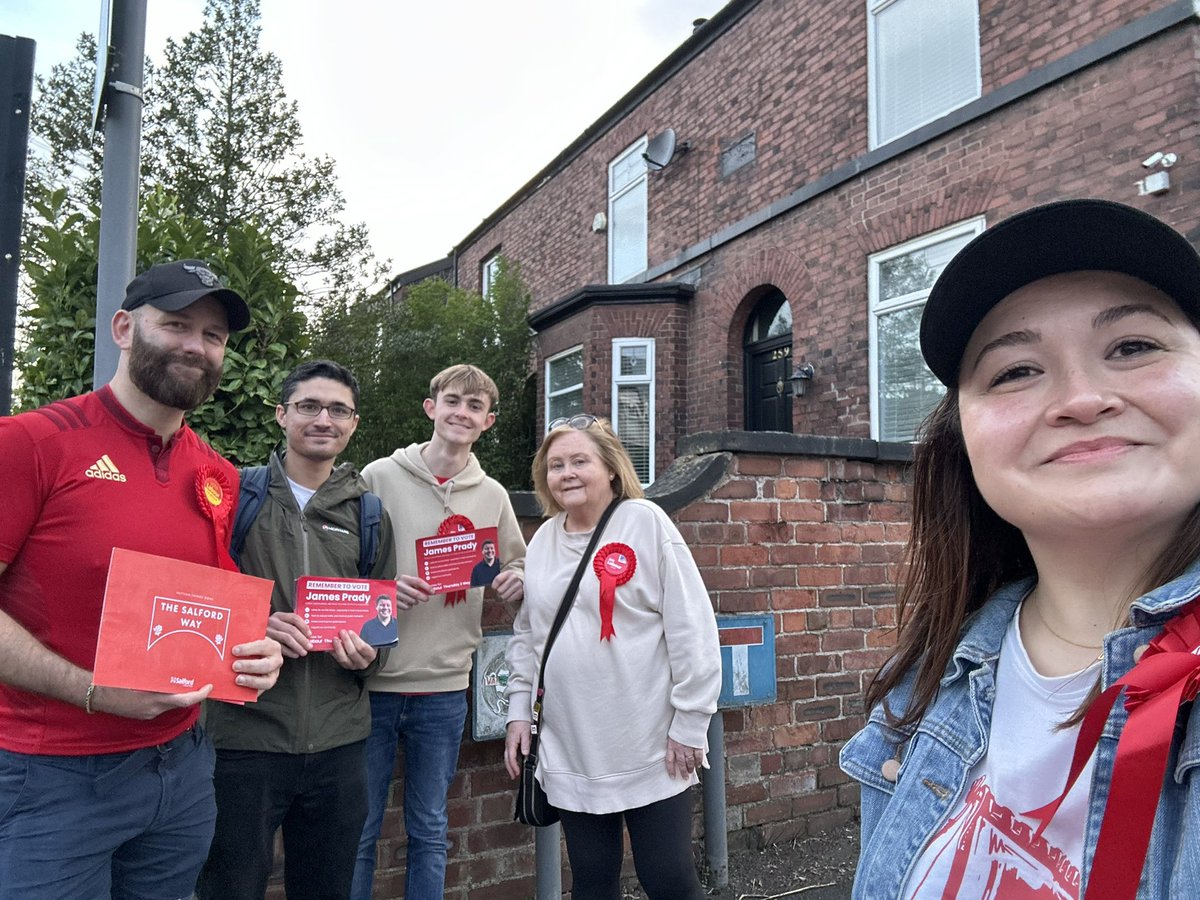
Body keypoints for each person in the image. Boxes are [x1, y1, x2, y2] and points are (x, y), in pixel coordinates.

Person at [840, 198, 1200, 898]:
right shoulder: (924, 680)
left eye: (1133, 347)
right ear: (963, 440)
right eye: (1015, 371)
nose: (1082, 397)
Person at [0, 259, 284, 900]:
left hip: (180, 770)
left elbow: (207, 598)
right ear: (124, 328)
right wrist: (94, 691)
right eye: (177, 324)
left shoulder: (218, 473)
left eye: (213, 335)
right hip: (51, 779)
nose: (196, 345)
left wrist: (254, 649)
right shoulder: (31, 443)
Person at [197, 359, 397, 900]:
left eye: (338, 409)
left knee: (326, 889)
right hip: (246, 738)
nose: (323, 419)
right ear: (282, 415)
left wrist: (368, 657)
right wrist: (256, 623)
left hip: (339, 742)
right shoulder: (237, 496)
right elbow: (195, 602)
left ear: (354, 423)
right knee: (230, 888)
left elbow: (382, 622)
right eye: (309, 406)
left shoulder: (370, 513)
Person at [504, 415, 721, 900]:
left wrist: (690, 721)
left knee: (669, 880)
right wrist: (519, 712)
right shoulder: (542, 540)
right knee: (592, 882)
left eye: (580, 460)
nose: (567, 473)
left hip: (648, 743)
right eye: (556, 465)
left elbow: (693, 628)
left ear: (611, 469)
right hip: (572, 744)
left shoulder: (644, 522)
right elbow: (528, 634)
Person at [352, 363, 527, 900]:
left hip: (446, 689)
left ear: (488, 422)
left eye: (475, 407)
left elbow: (518, 564)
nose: (462, 412)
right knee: (358, 829)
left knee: (429, 828)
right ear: (431, 408)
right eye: (453, 401)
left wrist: (516, 582)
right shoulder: (378, 476)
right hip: (375, 683)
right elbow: (344, 568)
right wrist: (383, 590)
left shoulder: (492, 494)